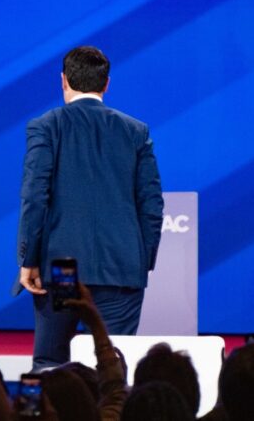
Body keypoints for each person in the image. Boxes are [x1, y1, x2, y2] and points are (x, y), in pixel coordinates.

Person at [14, 45, 163, 370]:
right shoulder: (135, 131)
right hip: (121, 269)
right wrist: (141, 261)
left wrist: (29, 259)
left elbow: (35, 197)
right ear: (106, 83)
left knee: (51, 364)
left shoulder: (46, 125)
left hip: (62, 268)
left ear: (63, 80)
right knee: (112, 365)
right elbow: (151, 205)